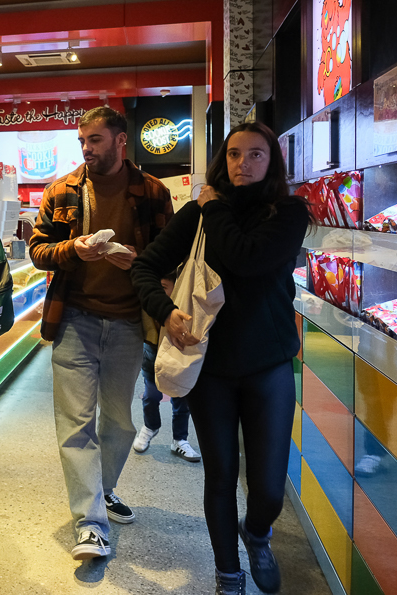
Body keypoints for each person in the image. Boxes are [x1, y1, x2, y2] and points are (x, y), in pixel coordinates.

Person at [131, 121, 311, 595]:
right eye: (234, 154)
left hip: (268, 365)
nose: (242, 164)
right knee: (220, 476)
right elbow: (145, 266)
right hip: (209, 367)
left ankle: (257, 532)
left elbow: (246, 257)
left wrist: (212, 206)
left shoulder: (288, 213)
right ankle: (228, 575)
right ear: (222, 160)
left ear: (272, 161)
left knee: (269, 488)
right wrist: (166, 312)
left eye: (255, 155)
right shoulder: (199, 213)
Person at [28, 106, 173, 560]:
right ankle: (89, 523)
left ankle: (101, 488)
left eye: (94, 140)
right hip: (74, 320)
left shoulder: (151, 192)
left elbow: (172, 257)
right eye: (82, 141)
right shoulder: (61, 189)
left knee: (120, 423)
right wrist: (75, 249)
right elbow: (37, 250)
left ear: (119, 140)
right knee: (75, 423)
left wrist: (141, 263)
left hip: (130, 322)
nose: (86, 149)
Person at [132, 276, 201, 463]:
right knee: (151, 395)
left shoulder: (184, 307)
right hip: (151, 354)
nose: (159, 292)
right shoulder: (149, 304)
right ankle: (150, 426)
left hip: (178, 355)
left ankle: (180, 439)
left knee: (181, 399)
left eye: (164, 287)